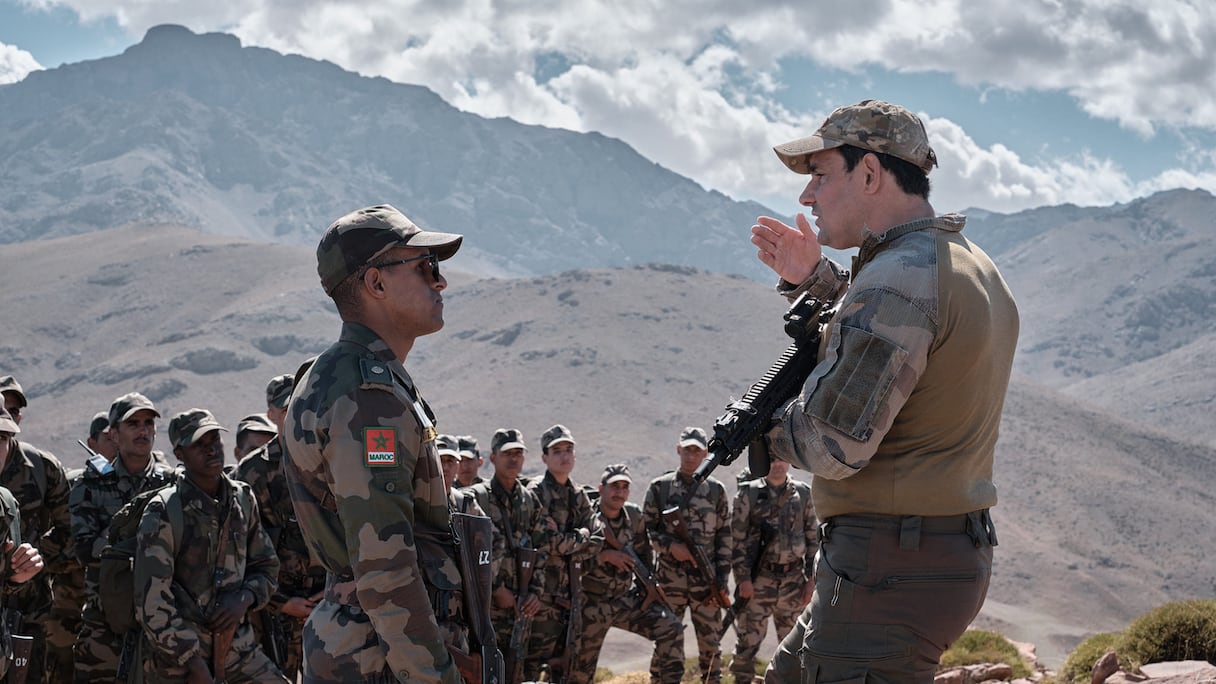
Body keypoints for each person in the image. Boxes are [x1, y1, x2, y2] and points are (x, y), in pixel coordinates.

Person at [751, 99, 1019, 683]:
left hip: (890, 565)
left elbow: (831, 446)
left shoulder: (899, 277)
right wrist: (818, 284)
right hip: (916, 556)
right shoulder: (964, 262)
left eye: (821, 176)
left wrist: (764, 427)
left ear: (870, 173)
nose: (807, 197)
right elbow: (899, 337)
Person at [282, 204, 468, 683]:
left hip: (372, 646)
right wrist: (436, 675)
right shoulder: (367, 396)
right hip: (381, 657)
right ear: (376, 283)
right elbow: (385, 567)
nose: (440, 281)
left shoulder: (355, 377)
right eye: (425, 266)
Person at [134, 408, 287, 683]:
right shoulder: (165, 511)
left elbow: (267, 567)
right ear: (180, 454)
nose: (212, 450)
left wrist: (244, 598)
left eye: (214, 440)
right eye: (199, 445)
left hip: (239, 650)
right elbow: (151, 601)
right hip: (177, 660)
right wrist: (192, 662)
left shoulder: (242, 498)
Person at [72, 392, 177, 682]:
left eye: (148, 423)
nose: (144, 430)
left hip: (163, 619)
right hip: (104, 619)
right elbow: (84, 547)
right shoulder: (90, 484)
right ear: (114, 434)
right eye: (133, 424)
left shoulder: (172, 484)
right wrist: (150, 545)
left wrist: (115, 542)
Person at [235, 373, 325, 682]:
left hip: (331, 605)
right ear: (271, 414)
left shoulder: (334, 462)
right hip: (273, 612)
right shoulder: (252, 472)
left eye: (300, 406)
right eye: (285, 409)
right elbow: (239, 550)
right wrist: (282, 602)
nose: (295, 416)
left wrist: (336, 591)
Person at [571, 463, 683, 684]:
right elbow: (569, 562)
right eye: (614, 486)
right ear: (601, 488)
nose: (619, 492)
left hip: (624, 600)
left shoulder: (633, 515)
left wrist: (648, 586)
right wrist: (602, 557)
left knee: (671, 627)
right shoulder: (586, 517)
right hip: (590, 604)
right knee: (579, 673)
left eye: (624, 487)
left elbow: (644, 554)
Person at [642, 427, 730, 684]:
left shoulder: (716, 491)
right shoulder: (660, 488)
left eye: (697, 450)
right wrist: (670, 547)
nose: (691, 455)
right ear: (679, 450)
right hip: (670, 581)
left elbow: (725, 537)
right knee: (666, 641)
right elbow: (645, 532)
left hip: (706, 583)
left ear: (705, 453)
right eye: (687, 449)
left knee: (711, 644)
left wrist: (721, 582)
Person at [0, 376, 73, 683]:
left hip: (29, 608)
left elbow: (70, 528)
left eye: (2, 437)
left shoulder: (41, 466)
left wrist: (34, 561)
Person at [467, 428, 546, 684]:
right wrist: (496, 589)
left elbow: (541, 547)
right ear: (492, 458)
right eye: (507, 453)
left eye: (518, 453)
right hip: (486, 608)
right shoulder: (478, 497)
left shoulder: (529, 500)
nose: (514, 459)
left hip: (521, 607)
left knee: (515, 671)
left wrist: (535, 591)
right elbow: (469, 552)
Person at [727, 459, 817, 682]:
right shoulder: (748, 494)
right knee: (747, 644)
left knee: (796, 647)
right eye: (772, 459)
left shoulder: (803, 494)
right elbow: (736, 541)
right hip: (759, 582)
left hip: (793, 583)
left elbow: (814, 540)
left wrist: (811, 582)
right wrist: (743, 580)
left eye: (782, 459)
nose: (777, 464)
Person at [524, 424, 602, 681]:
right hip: (541, 596)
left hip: (571, 595)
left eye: (568, 449)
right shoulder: (535, 493)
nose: (564, 456)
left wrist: (568, 541)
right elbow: (545, 542)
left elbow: (598, 539)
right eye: (557, 451)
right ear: (544, 457)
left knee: (565, 666)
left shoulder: (578, 495)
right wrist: (580, 537)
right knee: (531, 664)